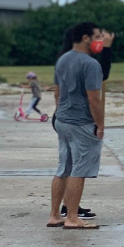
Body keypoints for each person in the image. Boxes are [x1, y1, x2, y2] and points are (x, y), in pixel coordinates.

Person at [47, 22, 105, 230]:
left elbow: (57, 93)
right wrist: (100, 125)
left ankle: (55, 215)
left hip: (62, 120)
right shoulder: (90, 64)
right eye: (97, 37)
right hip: (81, 122)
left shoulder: (62, 59)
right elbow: (94, 99)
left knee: (63, 167)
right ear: (86, 38)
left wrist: (61, 114)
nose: (100, 41)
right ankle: (72, 217)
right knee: (79, 169)